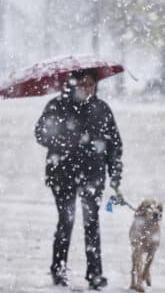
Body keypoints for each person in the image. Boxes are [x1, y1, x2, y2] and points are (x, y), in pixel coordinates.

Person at [35, 68, 123, 290]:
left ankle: (95, 273)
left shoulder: (101, 109)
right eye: (82, 83)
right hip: (62, 172)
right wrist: (63, 139)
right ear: (72, 84)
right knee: (66, 219)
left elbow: (114, 144)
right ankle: (59, 268)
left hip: (93, 174)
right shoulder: (57, 106)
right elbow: (40, 133)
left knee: (91, 222)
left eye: (91, 84)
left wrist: (115, 173)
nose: (87, 88)